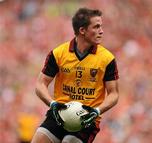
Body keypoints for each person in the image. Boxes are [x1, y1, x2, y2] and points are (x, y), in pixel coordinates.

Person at [31, 7, 119, 143]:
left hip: (86, 119)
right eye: (96, 27)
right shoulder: (58, 53)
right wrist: (52, 103)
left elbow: (114, 94)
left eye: (101, 26)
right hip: (59, 114)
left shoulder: (107, 59)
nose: (101, 31)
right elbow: (40, 84)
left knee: (70, 141)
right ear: (82, 30)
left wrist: (97, 111)